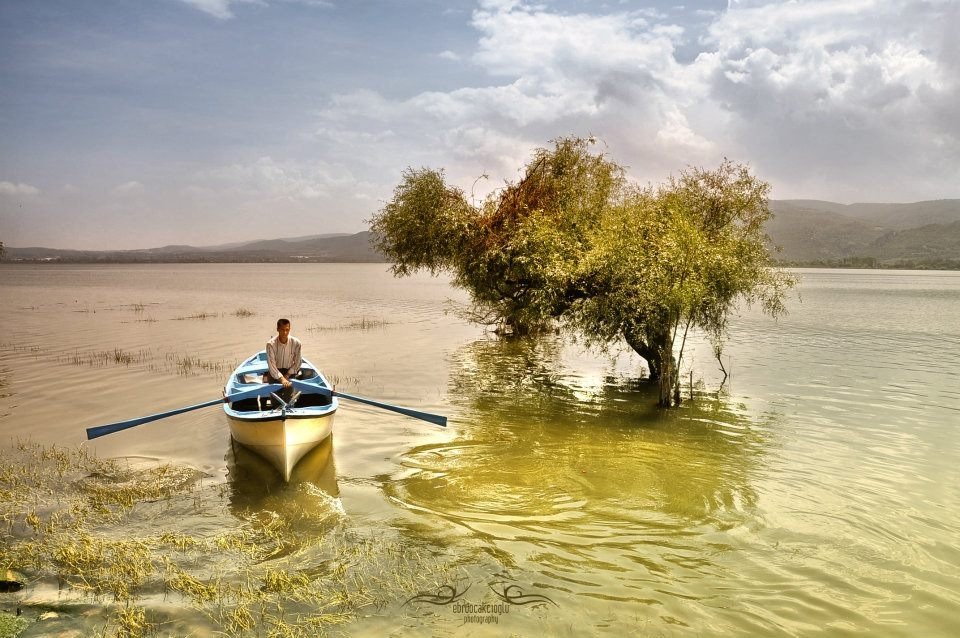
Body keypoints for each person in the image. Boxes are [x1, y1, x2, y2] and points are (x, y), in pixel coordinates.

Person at [266, 318, 302, 392]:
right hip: (275, 372)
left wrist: (287, 375)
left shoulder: (296, 343)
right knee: (275, 400)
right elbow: (272, 366)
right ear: (278, 329)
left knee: (288, 397)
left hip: (289, 371)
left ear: (289, 329)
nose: (285, 332)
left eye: (287, 330)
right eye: (282, 330)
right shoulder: (270, 344)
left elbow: (297, 363)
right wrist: (281, 379)